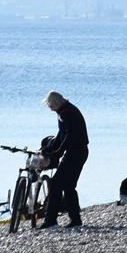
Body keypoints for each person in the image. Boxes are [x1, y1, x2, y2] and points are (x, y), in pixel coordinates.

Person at [39, 91, 89, 228]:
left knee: (55, 184)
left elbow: (70, 134)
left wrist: (59, 152)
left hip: (76, 152)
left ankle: (51, 220)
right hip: (79, 151)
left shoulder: (67, 112)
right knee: (69, 186)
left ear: (55, 102)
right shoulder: (65, 110)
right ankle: (75, 220)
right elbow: (62, 133)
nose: (49, 107)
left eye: (49, 104)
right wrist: (51, 148)